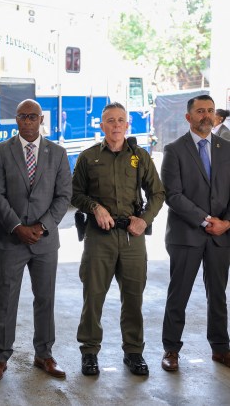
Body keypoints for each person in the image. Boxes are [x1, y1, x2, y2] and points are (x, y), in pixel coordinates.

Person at [71, 102, 164, 377]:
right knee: (93, 296)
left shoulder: (139, 156)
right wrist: (94, 207)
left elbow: (158, 193)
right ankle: (89, 351)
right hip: (99, 237)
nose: (115, 125)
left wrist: (144, 220)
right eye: (110, 120)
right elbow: (74, 194)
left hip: (132, 236)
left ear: (127, 124)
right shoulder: (88, 157)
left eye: (120, 120)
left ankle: (133, 351)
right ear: (102, 126)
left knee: (134, 296)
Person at [0, 99, 72, 382]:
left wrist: (42, 226)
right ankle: (0, 357)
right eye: (23, 116)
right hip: (11, 239)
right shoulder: (1, 151)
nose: (28, 121)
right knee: (5, 299)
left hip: (45, 241)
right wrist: (17, 227)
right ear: (16, 119)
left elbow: (64, 196)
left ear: (41, 119)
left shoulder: (57, 153)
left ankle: (44, 354)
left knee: (45, 298)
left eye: (33, 116)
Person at [160, 95, 230, 372]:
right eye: (200, 111)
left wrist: (226, 223)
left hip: (221, 235)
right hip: (186, 235)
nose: (206, 115)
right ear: (188, 117)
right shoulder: (174, 150)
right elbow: (173, 195)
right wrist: (204, 220)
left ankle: (221, 348)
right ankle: (171, 349)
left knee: (218, 295)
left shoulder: (227, 148)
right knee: (179, 294)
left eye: (210, 111)